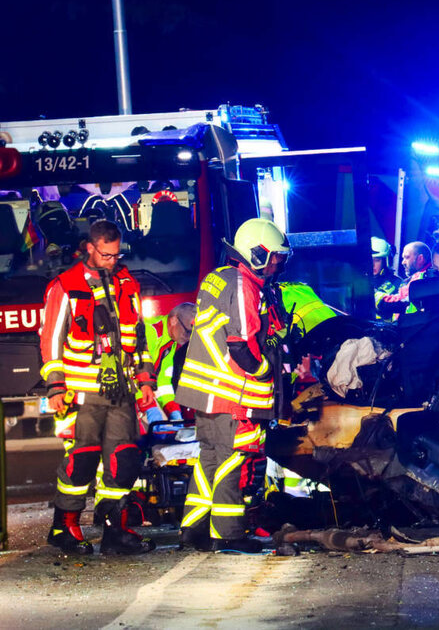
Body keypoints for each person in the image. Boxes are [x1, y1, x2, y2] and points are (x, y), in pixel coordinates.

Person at [39, 219, 157, 555]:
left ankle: (115, 531)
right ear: (90, 248)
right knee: (82, 461)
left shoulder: (125, 282)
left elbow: (139, 336)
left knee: (123, 461)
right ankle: (65, 527)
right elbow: (50, 341)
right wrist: (56, 386)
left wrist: (145, 378)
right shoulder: (65, 286)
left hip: (121, 389)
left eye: (116, 255)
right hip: (81, 393)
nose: (112, 261)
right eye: (106, 255)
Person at [177, 217, 290, 553]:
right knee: (231, 460)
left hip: (205, 391)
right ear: (256, 254)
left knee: (209, 460)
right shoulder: (244, 285)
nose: (276, 265)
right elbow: (242, 344)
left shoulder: (218, 277)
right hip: (230, 395)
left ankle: (193, 529)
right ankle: (227, 533)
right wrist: (266, 370)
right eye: (273, 258)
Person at [140, 302, 197, 429]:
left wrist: (174, 411)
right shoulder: (150, 331)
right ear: (173, 320)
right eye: (188, 331)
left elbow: (163, 382)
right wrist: (150, 410)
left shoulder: (171, 341)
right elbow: (137, 375)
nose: (188, 338)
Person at [377, 241, 432, 319]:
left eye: (407, 257)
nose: (403, 262)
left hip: (413, 327)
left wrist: (376, 297)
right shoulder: (428, 275)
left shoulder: (419, 279)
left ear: (420, 258)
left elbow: (400, 300)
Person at [371, 237, 401, 319]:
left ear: (385, 261)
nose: (372, 264)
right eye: (369, 260)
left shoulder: (397, 283)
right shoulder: (356, 281)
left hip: (386, 329)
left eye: (377, 260)